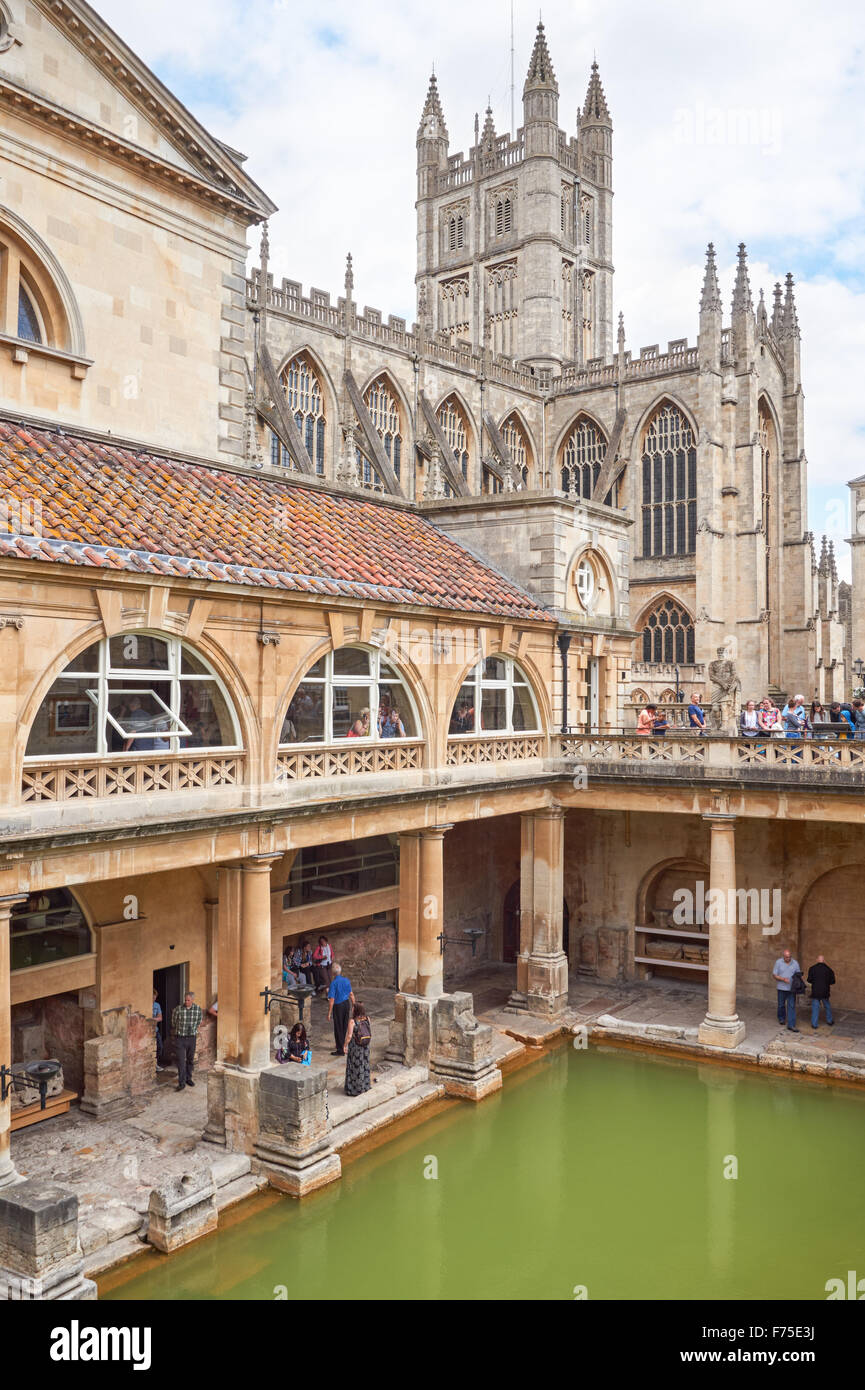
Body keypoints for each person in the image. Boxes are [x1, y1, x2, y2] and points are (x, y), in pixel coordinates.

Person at [171, 990, 203, 1090]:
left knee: (190, 1060)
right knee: (181, 1061)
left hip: (191, 1038)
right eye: (185, 1000)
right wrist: (180, 1031)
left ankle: (189, 1078)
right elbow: (174, 1022)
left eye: (188, 1000)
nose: (186, 1002)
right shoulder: (178, 1009)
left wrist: (192, 1030)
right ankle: (181, 1083)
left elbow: (199, 1022)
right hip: (180, 1038)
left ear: (193, 1000)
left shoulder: (198, 1009)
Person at [344, 1001, 372, 1096]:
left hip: (356, 1047)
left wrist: (344, 1046)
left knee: (355, 1067)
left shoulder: (352, 1021)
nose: (352, 1009)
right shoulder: (367, 1019)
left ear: (356, 1010)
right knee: (364, 1065)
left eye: (353, 1008)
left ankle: (355, 1089)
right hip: (365, 1046)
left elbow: (349, 1036)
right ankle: (365, 1086)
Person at [327, 963, 355, 1056]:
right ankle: (342, 1045)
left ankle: (340, 1050)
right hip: (346, 1004)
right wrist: (354, 1004)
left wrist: (329, 1013)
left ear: (333, 973)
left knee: (338, 1027)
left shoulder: (333, 983)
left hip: (338, 1006)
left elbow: (332, 999)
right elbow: (351, 994)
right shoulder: (346, 980)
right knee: (344, 1025)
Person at [773, 948, 802, 1032]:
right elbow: (774, 975)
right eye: (786, 957)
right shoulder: (778, 962)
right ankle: (781, 1018)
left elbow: (798, 974)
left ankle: (791, 1025)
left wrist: (798, 979)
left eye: (789, 957)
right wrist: (783, 979)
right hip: (781, 988)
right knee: (781, 1005)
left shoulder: (795, 963)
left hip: (791, 989)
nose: (788, 959)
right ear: (783, 957)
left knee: (792, 1006)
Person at [806, 955, 836, 1030]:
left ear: (817, 960)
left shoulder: (812, 968)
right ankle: (829, 1021)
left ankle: (814, 1024)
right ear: (824, 960)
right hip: (825, 991)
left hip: (816, 991)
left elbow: (809, 980)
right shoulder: (829, 970)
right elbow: (833, 981)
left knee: (815, 1008)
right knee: (827, 1006)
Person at [152, 988, 164, 1072]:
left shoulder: (157, 1005)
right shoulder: (144, 1005)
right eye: (152, 997)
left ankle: (155, 1063)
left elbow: (160, 1018)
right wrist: (155, 1019)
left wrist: (152, 1019)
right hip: (146, 1032)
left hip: (155, 1030)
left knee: (160, 1047)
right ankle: (153, 1065)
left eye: (155, 997)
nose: (154, 999)